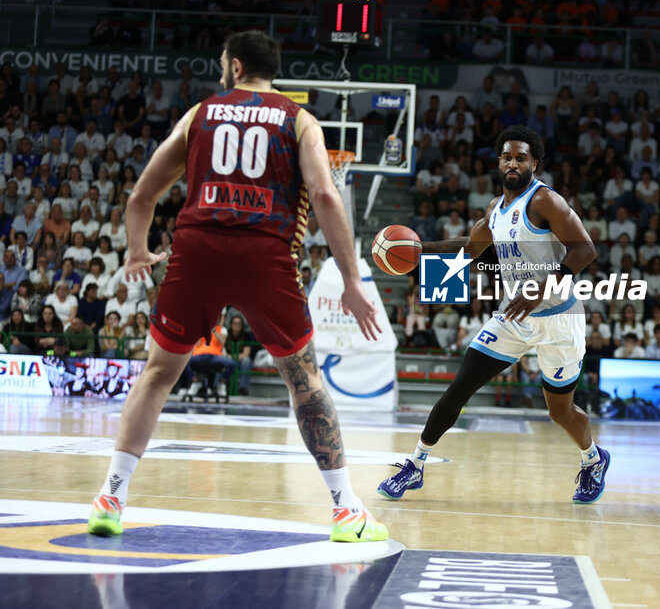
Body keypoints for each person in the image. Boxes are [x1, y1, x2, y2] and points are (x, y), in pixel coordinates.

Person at [88, 31, 387, 543]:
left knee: (158, 374)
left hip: (197, 248)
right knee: (304, 381)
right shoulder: (299, 120)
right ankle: (346, 510)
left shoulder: (200, 113)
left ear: (235, 66)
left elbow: (141, 196)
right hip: (264, 254)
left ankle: (111, 496)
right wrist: (353, 280)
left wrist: (138, 251)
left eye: (222, 63)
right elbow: (323, 195)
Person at [378, 125, 610, 505]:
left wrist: (539, 290)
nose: (513, 163)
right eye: (507, 157)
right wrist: (421, 248)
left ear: (534, 163)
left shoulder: (546, 201)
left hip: (560, 318)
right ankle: (415, 465)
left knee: (560, 412)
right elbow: (472, 249)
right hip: (513, 316)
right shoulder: (494, 210)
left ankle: (592, 459)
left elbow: (585, 250)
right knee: (461, 385)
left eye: (521, 157)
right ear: (498, 162)